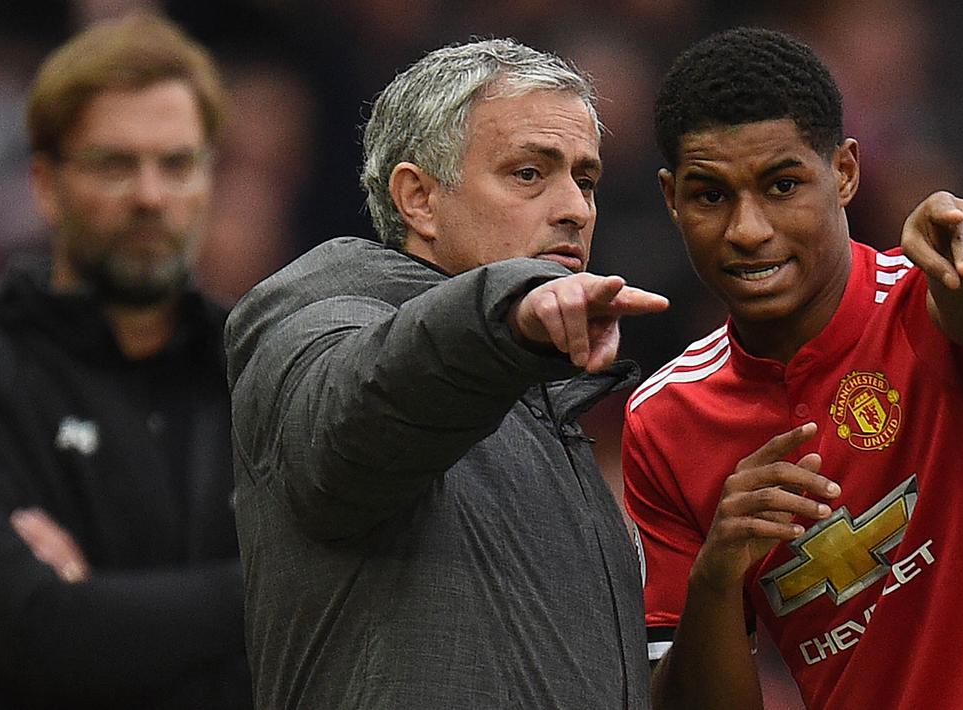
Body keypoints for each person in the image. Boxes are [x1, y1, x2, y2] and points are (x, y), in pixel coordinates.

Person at [622, 27, 963, 710]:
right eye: (710, 196)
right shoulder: (664, 423)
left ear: (844, 172)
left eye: (782, 185)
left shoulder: (934, 299)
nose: (747, 229)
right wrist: (716, 579)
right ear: (670, 198)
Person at [225, 38, 668, 709]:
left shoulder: (545, 401)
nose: (576, 209)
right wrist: (506, 317)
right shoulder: (321, 317)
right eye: (529, 173)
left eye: (585, 179)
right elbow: (354, 425)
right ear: (419, 199)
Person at [0, 13, 251, 709]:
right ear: (44, 184)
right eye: (114, 164)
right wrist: (272, 588)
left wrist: (102, 611)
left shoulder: (257, 368)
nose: (150, 196)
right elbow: (37, 634)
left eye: (177, 164)